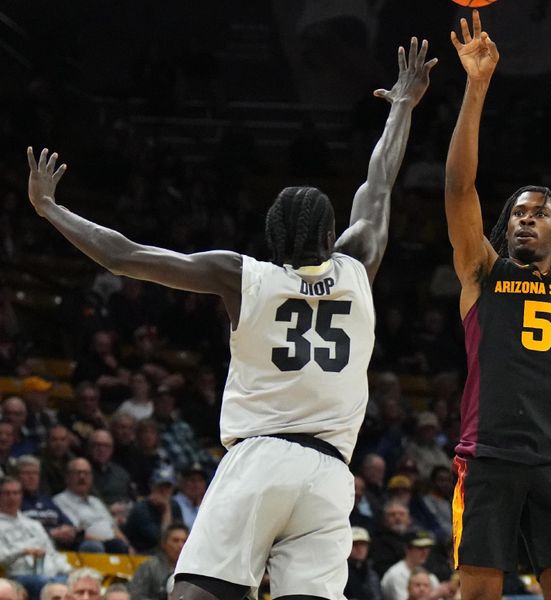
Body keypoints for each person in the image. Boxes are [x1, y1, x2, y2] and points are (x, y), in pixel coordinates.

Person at [27, 35, 436, 600]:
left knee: (196, 593)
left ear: (273, 232)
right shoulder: (358, 264)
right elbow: (378, 183)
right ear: (328, 232)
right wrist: (400, 107)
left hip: (261, 458)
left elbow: (124, 255)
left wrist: (52, 210)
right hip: (331, 475)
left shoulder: (245, 276)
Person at [444, 11, 551, 600]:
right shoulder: (482, 272)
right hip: (487, 453)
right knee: (480, 593)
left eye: (538, 212)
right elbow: (460, 189)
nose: (525, 218)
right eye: (517, 211)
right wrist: (477, 85)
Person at [0, 477, 70, 600]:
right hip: (18, 575)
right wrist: (23, 551)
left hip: (48, 574)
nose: (11, 497)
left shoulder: (34, 525)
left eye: (15, 493)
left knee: (74, 581)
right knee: (44, 584)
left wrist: (70, 571)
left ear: (21, 496)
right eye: (6, 493)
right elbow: (2, 559)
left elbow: (52, 553)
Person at [129, 524, 188, 600]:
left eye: (184, 541)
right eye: (175, 540)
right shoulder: (149, 566)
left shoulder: (191, 570)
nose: (180, 545)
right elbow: (135, 595)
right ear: (164, 543)